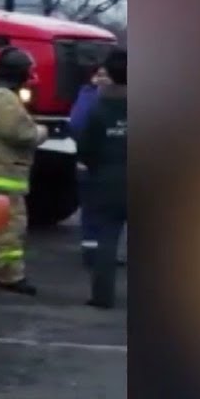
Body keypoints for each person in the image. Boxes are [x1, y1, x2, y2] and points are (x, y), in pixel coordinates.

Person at [0, 47, 49, 294]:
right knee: (10, 226)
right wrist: (40, 132)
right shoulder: (5, 98)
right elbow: (19, 133)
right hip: (5, 172)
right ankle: (10, 275)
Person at [76, 48, 127, 309]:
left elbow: (85, 147)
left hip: (107, 180)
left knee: (106, 239)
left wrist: (97, 167)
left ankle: (102, 296)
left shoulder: (99, 107)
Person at [67, 64, 111, 266]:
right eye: (99, 75)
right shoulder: (89, 98)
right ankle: (93, 253)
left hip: (101, 165)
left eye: (106, 75)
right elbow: (77, 125)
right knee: (93, 210)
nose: (102, 79)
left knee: (102, 211)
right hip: (92, 165)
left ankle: (100, 250)